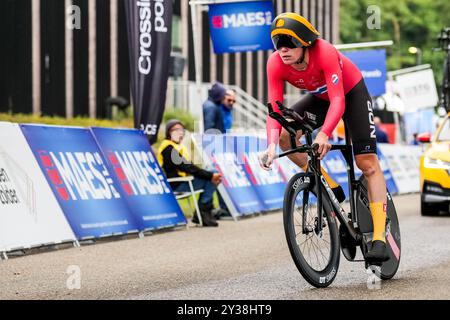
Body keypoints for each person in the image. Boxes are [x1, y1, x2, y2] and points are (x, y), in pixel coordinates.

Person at [259, 12, 389, 263]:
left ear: (305, 42)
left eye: (289, 42)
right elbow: (274, 110)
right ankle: (330, 186)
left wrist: (325, 134)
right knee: (286, 137)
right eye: (278, 43)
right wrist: (271, 145)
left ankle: (380, 237)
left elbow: (338, 99)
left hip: (350, 95)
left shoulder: (324, 52)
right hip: (320, 99)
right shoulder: (275, 63)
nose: (283, 49)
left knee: (367, 164)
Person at [157, 119, 223, 227]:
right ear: (169, 132)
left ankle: (202, 211)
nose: (180, 132)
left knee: (212, 175)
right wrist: (210, 175)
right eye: (176, 130)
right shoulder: (168, 149)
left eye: (181, 130)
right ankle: (203, 210)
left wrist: (209, 175)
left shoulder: (178, 146)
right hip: (175, 184)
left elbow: (190, 167)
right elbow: (187, 167)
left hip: (185, 181)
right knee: (212, 176)